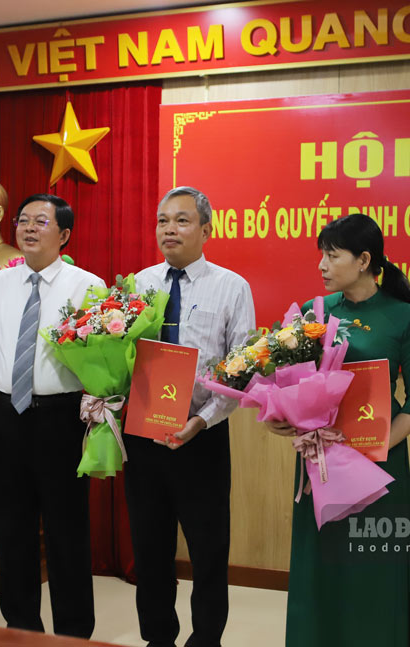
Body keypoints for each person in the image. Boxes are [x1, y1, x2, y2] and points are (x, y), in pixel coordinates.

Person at [265, 212, 410, 646]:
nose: (321, 264)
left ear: (363, 260)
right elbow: (293, 383)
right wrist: (284, 418)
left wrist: (376, 446)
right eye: (321, 254)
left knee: (373, 566)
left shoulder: (404, 319)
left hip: (378, 465)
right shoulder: (312, 313)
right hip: (320, 460)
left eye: (331, 255)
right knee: (323, 562)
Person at [0, 194, 104, 638]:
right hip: (6, 415)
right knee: (11, 532)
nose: (28, 228)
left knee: (67, 536)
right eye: (23, 220)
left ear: (63, 234)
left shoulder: (88, 287)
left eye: (41, 221)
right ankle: (20, 628)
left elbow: (105, 360)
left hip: (61, 419)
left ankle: (74, 633)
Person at [129, 186, 255, 647]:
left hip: (200, 434)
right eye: (162, 220)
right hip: (144, 436)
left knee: (208, 550)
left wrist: (201, 419)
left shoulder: (231, 286)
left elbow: (242, 371)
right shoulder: (137, 285)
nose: (169, 229)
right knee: (149, 548)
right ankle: (157, 637)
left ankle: (206, 639)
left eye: (181, 221)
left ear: (206, 229)